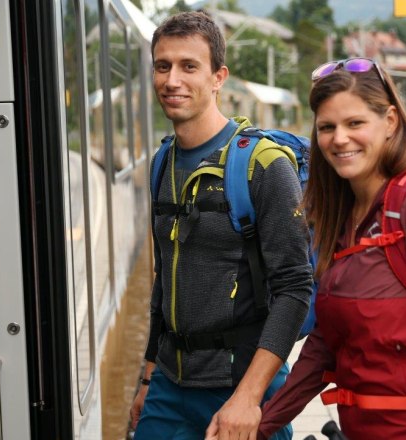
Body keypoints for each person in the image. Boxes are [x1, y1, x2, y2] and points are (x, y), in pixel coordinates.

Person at [257, 59, 406, 439]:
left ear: (391, 122)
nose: (339, 139)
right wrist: (260, 425)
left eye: (355, 123)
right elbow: (325, 346)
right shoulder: (343, 217)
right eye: (327, 127)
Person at [129, 11, 312, 440]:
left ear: (218, 77)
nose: (172, 80)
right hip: (168, 387)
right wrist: (148, 376)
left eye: (189, 66)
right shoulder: (162, 163)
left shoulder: (263, 166)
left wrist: (249, 398)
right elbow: (164, 279)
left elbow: (295, 288)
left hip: (240, 386)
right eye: (162, 66)